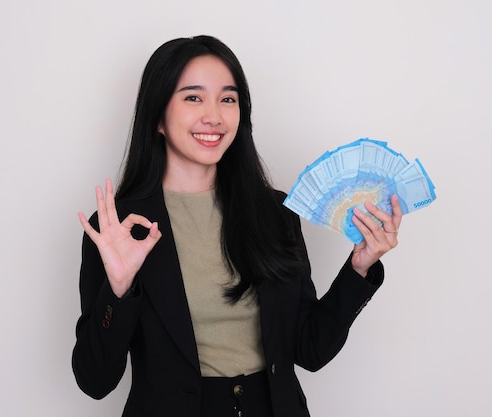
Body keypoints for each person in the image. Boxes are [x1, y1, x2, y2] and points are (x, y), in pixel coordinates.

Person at [72, 35, 401, 417]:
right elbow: (94, 380)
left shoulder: (275, 213)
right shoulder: (120, 228)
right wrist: (118, 289)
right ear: (158, 117)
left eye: (227, 99)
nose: (214, 115)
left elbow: (309, 350)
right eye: (193, 97)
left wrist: (358, 269)